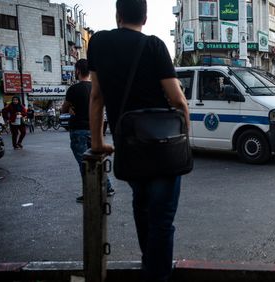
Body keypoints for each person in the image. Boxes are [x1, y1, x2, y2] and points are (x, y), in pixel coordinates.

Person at [87, 1, 190, 281]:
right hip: (164, 146)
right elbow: (177, 100)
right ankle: (155, 276)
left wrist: (97, 142)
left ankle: (150, 265)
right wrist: (185, 140)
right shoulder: (154, 45)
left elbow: (96, 97)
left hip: (129, 145)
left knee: (142, 207)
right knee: (162, 220)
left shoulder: (98, 42)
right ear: (145, 17)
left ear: (117, 15)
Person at [61, 59, 115, 203]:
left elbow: (63, 109)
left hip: (78, 130)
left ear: (77, 71)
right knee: (98, 160)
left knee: (84, 163)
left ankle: (90, 193)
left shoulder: (73, 89)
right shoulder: (97, 88)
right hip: (94, 130)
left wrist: (71, 107)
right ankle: (108, 187)